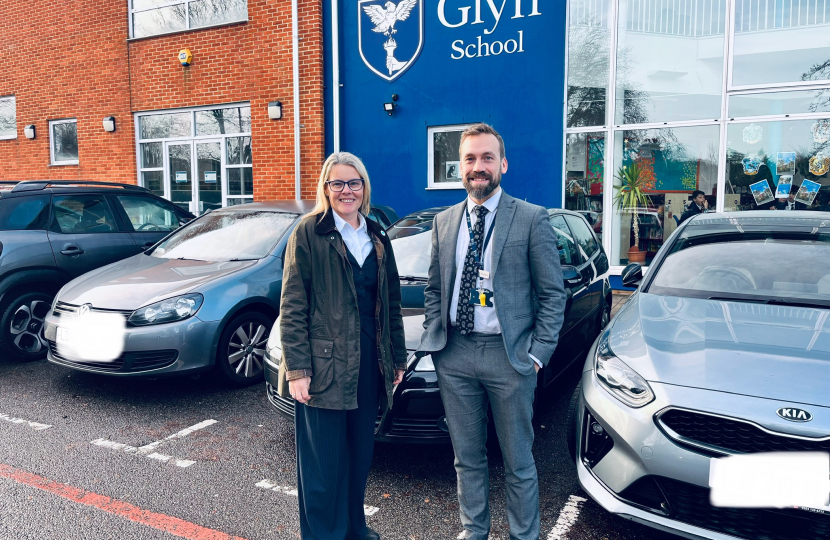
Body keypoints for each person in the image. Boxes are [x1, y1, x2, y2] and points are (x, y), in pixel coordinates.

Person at [416, 123, 567, 540]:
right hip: (456, 354)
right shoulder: (444, 222)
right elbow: (434, 288)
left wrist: (537, 354)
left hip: (510, 356)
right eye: (469, 159)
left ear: (503, 163)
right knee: (467, 458)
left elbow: (553, 295)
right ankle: (474, 531)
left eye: (486, 158)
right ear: (459, 168)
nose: (477, 167)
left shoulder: (532, 219)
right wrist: (436, 341)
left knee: (518, 461)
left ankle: (524, 535)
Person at [279, 152, 407, 540]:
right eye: (337, 183)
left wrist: (396, 358)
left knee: (358, 456)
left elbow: (393, 303)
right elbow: (292, 304)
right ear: (326, 188)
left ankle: (354, 529)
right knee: (322, 467)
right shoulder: (309, 232)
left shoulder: (378, 234)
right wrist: (298, 370)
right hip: (323, 366)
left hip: (370, 362)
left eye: (353, 183)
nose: (346, 190)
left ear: (364, 187)